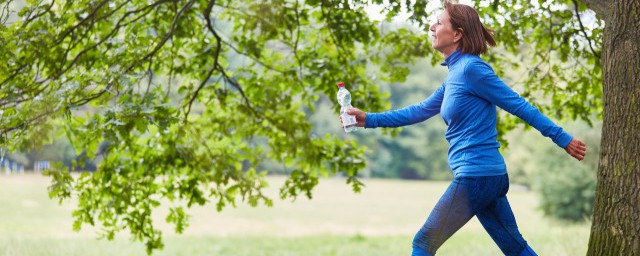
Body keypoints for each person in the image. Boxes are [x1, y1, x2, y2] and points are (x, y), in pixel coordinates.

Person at [341, 1, 587, 255]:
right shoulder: (455, 74)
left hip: (477, 175)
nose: (431, 26)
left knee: (423, 242)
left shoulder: (472, 69)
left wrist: (562, 138)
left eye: (439, 22)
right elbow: (420, 110)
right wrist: (368, 119)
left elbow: (519, 105)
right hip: (487, 176)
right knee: (515, 247)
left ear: (457, 34)